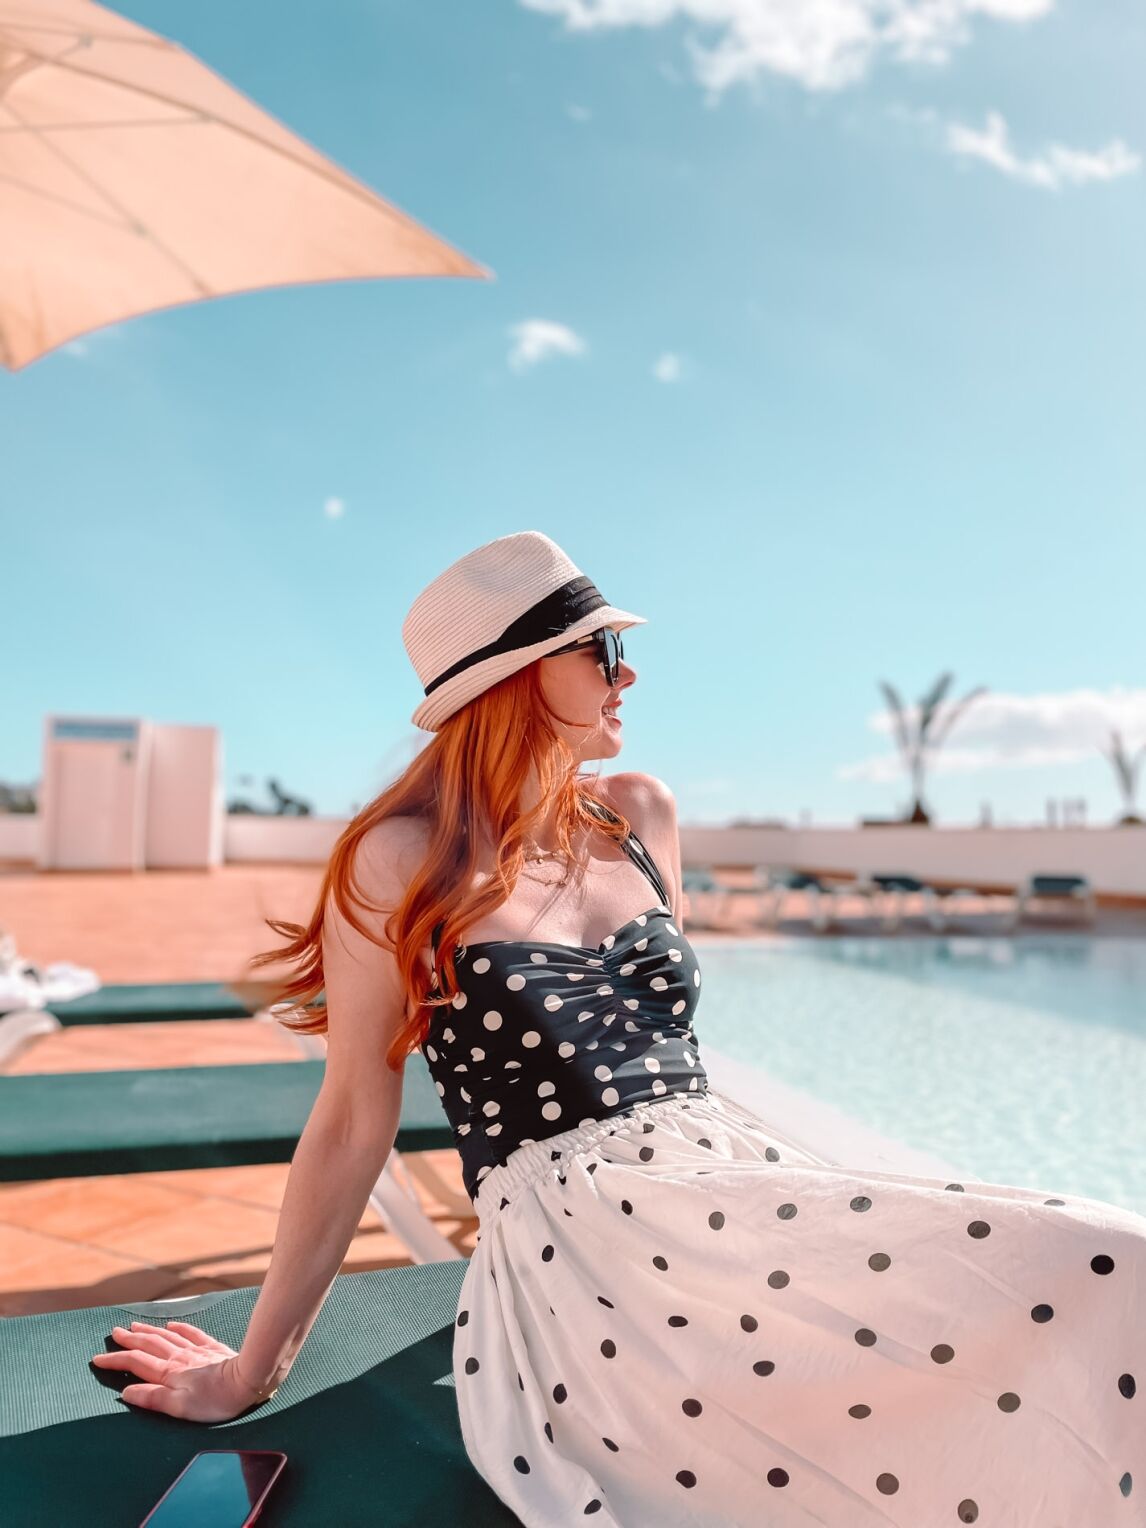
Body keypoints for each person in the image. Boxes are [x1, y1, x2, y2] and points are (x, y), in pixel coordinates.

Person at [91, 530, 1146, 1526]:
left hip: (732, 1179)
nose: (627, 675)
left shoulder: (641, 811)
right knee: (1103, 1266)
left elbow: (667, 1051)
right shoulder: (397, 859)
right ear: (516, 678)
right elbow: (352, 1120)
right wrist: (253, 1367)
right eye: (603, 651)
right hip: (588, 1247)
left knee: (1099, 1265)